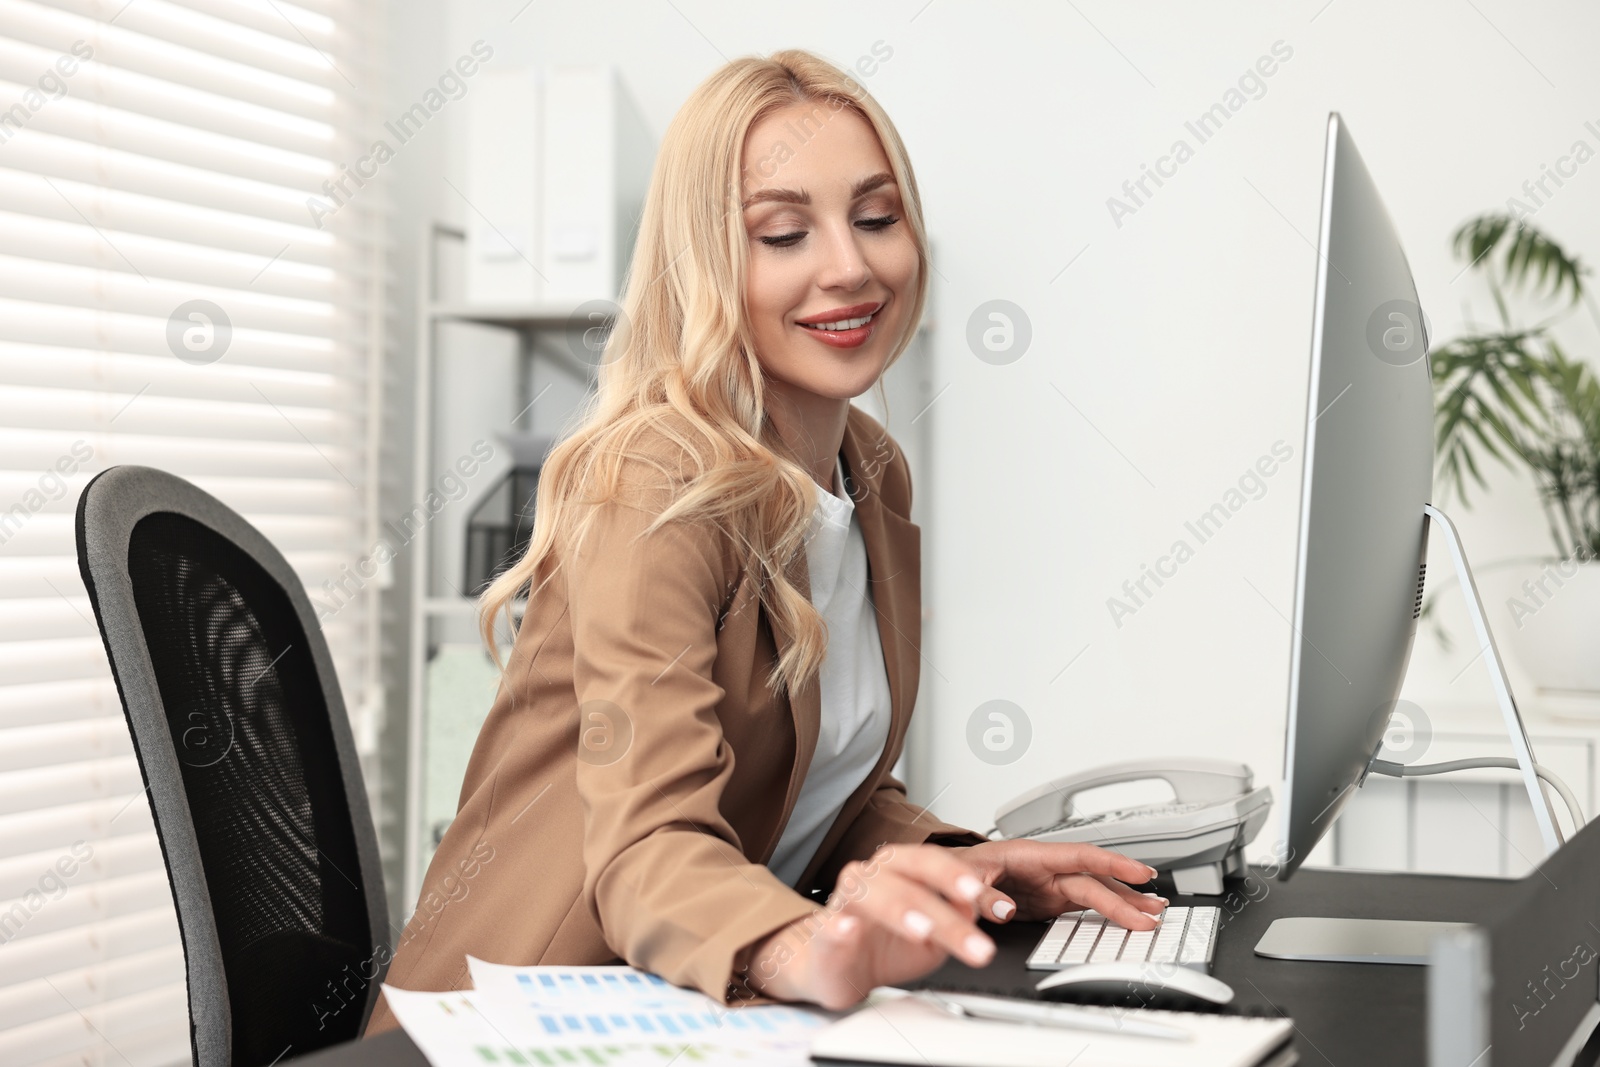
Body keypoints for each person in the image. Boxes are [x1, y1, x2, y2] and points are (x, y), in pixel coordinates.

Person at [364, 47, 1162, 1034]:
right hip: (525, 1017)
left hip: (689, 1007)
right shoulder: (651, 478)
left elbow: (804, 781)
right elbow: (652, 842)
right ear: (706, 261)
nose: (850, 265)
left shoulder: (868, 470)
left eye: (876, 217)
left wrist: (972, 862)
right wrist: (812, 947)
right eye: (783, 232)